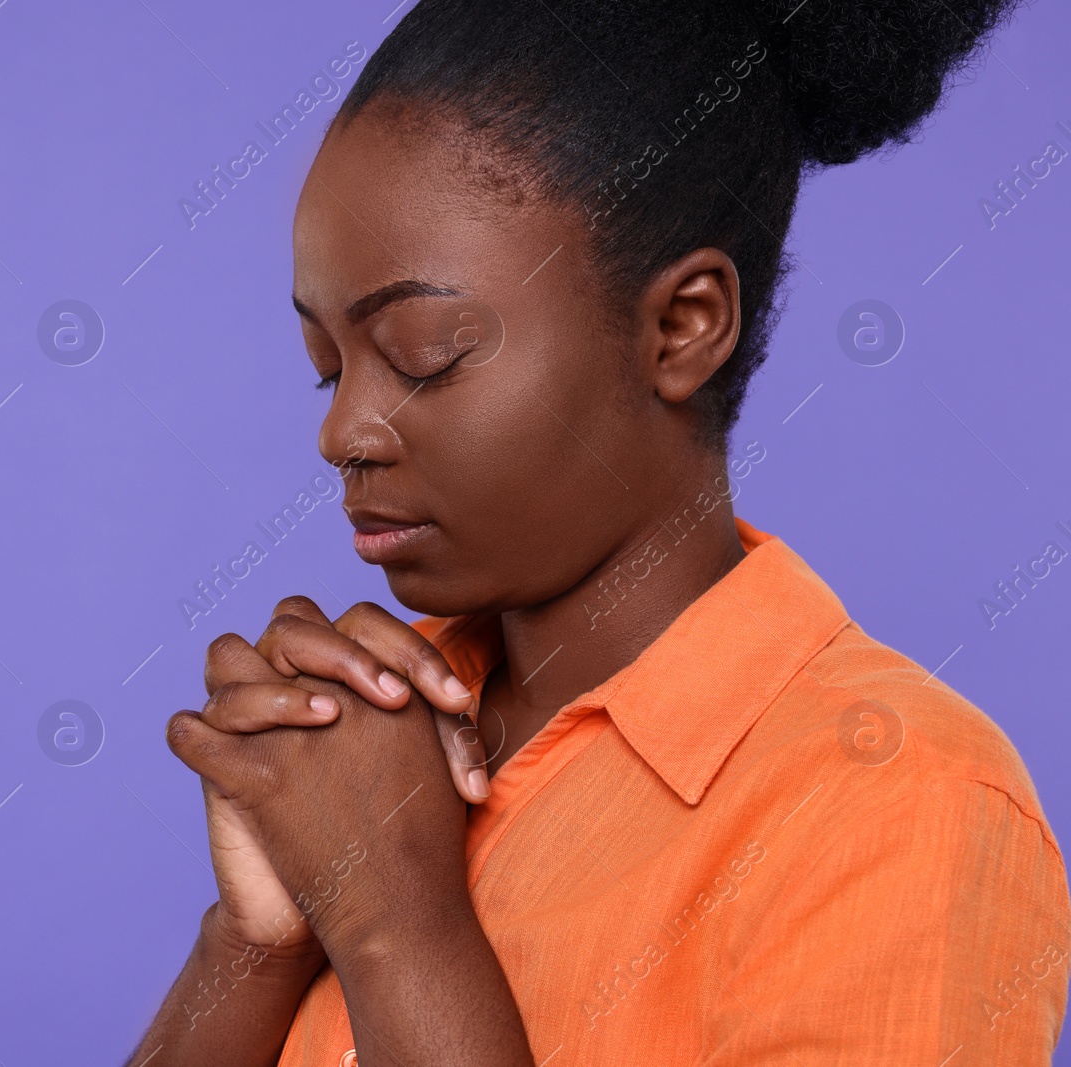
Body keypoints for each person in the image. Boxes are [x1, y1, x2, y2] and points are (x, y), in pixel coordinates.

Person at [130, 0, 1068, 1063]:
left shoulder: (900, 802)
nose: (343, 430)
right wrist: (255, 941)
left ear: (681, 325)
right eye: (327, 366)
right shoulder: (362, 740)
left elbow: (400, 928)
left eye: (424, 353)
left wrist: (395, 920)